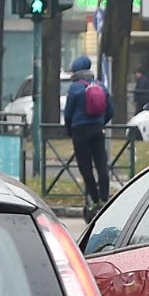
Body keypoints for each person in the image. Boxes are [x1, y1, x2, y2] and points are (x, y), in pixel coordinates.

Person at [63, 56, 115, 221]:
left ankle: (94, 199)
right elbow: (110, 110)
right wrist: (100, 122)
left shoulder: (75, 88)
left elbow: (68, 113)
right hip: (98, 130)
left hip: (80, 131)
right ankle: (105, 200)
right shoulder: (100, 85)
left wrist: (69, 130)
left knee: (85, 168)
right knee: (102, 165)